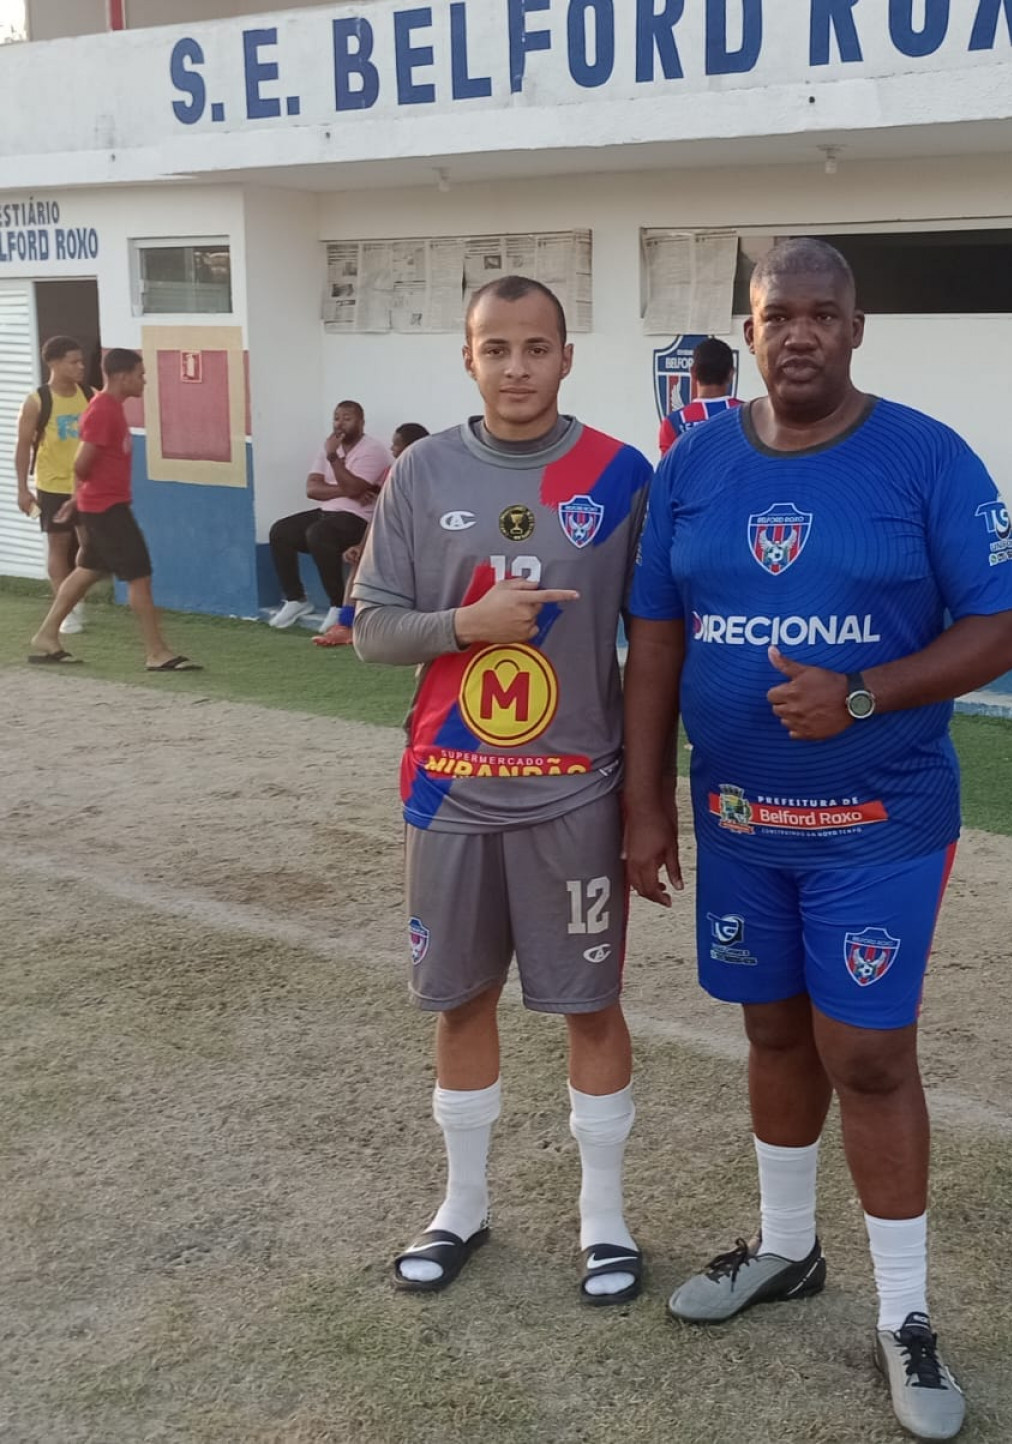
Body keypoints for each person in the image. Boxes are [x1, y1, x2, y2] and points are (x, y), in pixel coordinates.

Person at [622, 238, 1012, 1442]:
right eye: (774, 315)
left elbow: (1005, 628)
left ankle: (905, 1314)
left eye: (820, 314)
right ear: (747, 332)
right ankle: (788, 1250)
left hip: (879, 820)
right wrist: (648, 799)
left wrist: (864, 692)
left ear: (857, 328)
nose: (796, 333)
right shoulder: (694, 461)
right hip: (742, 821)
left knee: (866, 1054)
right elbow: (655, 638)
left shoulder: (925, 456)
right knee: (769, 1030)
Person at [350, 276, 653, 1306]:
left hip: (575, 792)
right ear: (467, 358)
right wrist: (466, 627)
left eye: (536, 347)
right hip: (452, 791)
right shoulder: (420, 471)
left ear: (568, 356)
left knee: (590, 1004)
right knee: (460, 997)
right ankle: (462, 1204)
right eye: (496, 349)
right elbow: (371, 627)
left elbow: (657, 638)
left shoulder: (619, 476)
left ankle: (604, 1222)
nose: (516, 368)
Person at [26, 348, 200, 672]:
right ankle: (156, 652)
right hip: (107, 509)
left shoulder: (110, 408)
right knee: (139, 576)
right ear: (122, 376)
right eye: (140, 374)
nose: (143, 380)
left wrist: (79, 499)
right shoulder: (103, 410)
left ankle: (47, 636)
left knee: (87, 569)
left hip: (102, 506)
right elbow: (81, 463)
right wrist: (84, 497)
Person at [267, 401, 396, 633]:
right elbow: (312, 489)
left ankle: (337, 605)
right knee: (280, 531)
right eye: (336, 418)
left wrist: (334, 460)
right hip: (327, 512)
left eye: (347, 418)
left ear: (361, 422)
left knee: (318, 534)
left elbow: (355, 487)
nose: (340, 423)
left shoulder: (372, 449)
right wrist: (347, 489)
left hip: (358, 518)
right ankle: (296, 599)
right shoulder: (329, 447)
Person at [312, 421, 430, 649]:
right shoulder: (392, 473)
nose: (392, 450)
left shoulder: (431, 474)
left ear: (412, 448)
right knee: (361, 561)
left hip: (425, 541)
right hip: (396, 539)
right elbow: (379, 516)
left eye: (397, 445)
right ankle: (345, 626)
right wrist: (362, 545)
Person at [13, 336, 96, 634]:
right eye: (73, 362)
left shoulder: (90, 395)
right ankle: (67, 609)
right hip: (53, 486)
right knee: (58, 546)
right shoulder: (38, 402)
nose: (80, 367)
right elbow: (23, 446)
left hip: (85, 487)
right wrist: (23, 489)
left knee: (90, 547)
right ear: (54, 364)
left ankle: (76, 597)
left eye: (81, 361)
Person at [658, 337, 743, 455]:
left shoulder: (674, 423)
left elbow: (668, 472)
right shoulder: (751, 416)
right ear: (731, 373)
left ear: (693, 373)